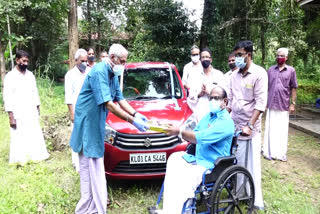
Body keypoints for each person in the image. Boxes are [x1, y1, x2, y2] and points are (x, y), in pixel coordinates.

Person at [70, 44, 149, 214]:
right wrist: (132, 121)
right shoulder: (99, 72)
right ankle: (87, 207)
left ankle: (97, 204)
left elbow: (119, 98)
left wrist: (136, 113)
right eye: (122, 61)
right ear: (112, 58)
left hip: (97, 122)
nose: (124, 65)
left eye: (125, 61)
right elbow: (109, 104)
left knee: (97, 164)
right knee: (88, 166)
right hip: (87, 123)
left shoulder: (112, 73)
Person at [154, 86, 234, 214]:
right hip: (198, 158)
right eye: (211, 98)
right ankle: (169, 209)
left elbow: (199, 137)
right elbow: (195, 131)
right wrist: (178, 129)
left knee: (184, 175)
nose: (212, 100)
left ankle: (183, 210)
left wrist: (179, 132)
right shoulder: (209, 116)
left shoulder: (226, 123)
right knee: (174, 159)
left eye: (216, 98)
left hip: (212, 165)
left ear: (225, 101)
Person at [227, 40, 268, 210]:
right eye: (235, 55)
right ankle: (240, 194)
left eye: (239, 55)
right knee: (238, 163)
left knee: (252, 164)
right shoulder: (233, 76)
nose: (236, 59)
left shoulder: (259, 73)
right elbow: (229, 101)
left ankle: (255, 198)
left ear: (248, 55)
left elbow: (260, 104)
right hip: (235, 126)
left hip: (250, 129)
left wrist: (249, 125)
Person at [3, 50, 49, 164]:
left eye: (27, 61)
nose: (26, 63)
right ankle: (20, 160)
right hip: (18, 111)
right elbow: (7, 96)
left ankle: (36, 157)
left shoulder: (30, 75)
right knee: (19, 135)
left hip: (31, 110)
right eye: (23, 61)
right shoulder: (10, 76)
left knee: (33, 133)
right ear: (17, 60)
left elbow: (34, 91)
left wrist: (38, 106)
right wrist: (11, 116)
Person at [262, 48, 298, 162]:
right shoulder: (271, 70)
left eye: (282, 55)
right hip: (271, 104)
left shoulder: (291, 71)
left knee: (281, 131)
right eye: (277, 55)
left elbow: (294, 88)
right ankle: (268, 151)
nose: (279, 57)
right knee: (270, 129)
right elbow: (265, 87)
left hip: (283, 105)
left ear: (286, 57)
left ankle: (280, 153)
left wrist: (293, 103)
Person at [64, 48, 90, 172]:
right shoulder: (70, 75)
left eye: (86, 60)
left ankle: (88, 161)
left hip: (90, 110)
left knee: (88, 136)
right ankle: (77, 163)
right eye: (82, 61)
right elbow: (68, 96)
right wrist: (72, 113)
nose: (85, 63)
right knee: (77, 136)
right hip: (77, 110)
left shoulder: (90, 72)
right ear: (76, 61)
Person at [187, 48, 224, 123]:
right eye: (203, 57)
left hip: (215, 115)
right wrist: (199, 94)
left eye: (207, 57)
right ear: (200, 60)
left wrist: (210, 92)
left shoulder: (219, 75)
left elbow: (224, 95)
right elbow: (190, 96)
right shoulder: (194, 75)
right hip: (200, 115)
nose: (205, 59)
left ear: (211, 59)